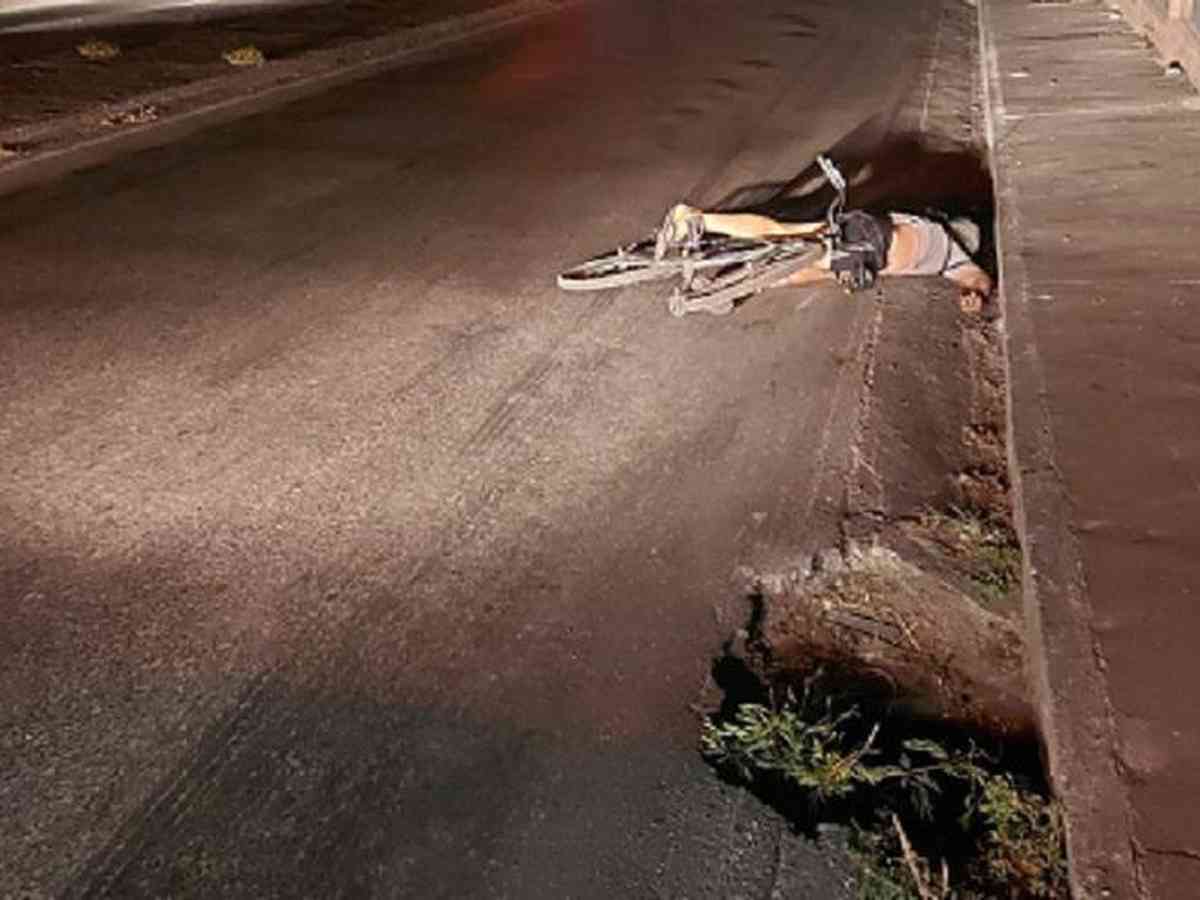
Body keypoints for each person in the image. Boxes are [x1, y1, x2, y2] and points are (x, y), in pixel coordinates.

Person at [656, 202, 994, 312]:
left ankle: (731, 285)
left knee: (796, 273)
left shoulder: (954, 260)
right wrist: (975, 290)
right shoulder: (933, 228)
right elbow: (978, 279)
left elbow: (979, 280)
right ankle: (696, 218)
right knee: (786, 236)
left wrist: (975, 295)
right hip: (867, 239)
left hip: (866, 265)